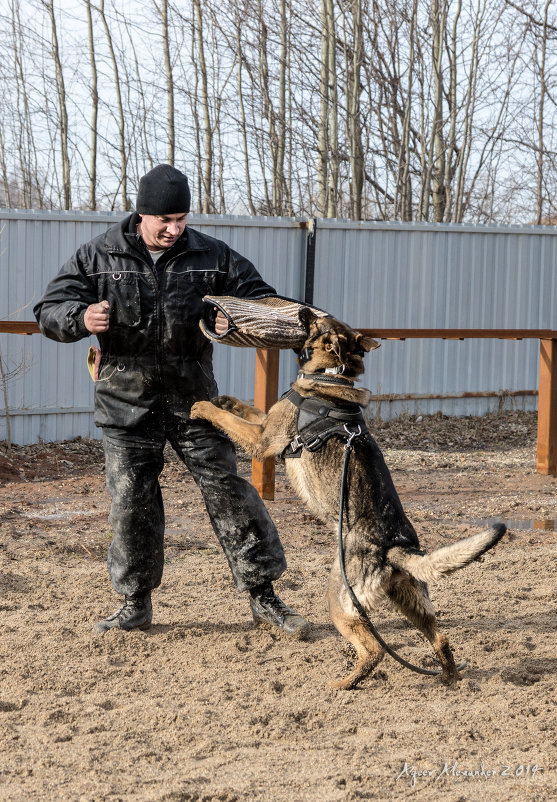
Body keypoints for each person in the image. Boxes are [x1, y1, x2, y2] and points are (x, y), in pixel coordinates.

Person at [34, 164, 309, 639]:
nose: (174, 229)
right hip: (125, 403)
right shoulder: (97, 256)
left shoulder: (212, 256)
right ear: (141, 214)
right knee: (132, 502)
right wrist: (81, 317)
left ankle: (265, 597)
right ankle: (134, 603)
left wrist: (233, 319)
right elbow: (48, 311)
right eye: (164, 220)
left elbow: (262, 300)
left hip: (195, 402)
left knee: (230, 492)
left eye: (181, 218)